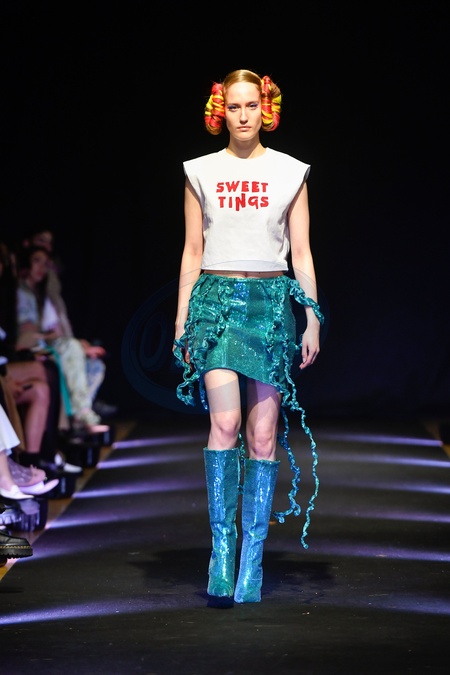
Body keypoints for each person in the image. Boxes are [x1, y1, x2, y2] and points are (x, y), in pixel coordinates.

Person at [173, 69, 324, 608]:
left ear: (266, 109)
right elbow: (193, 250)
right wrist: (181, 319)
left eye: (251, 106)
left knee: (262, 437)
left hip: (270, 307)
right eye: (233, 106)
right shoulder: (200, 171)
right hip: (215, 304)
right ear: (221, 111)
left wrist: (312, 317)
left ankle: (252, 560)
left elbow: (301, 252)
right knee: (225, 423)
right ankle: (222, 551)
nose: (242, 115)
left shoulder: (290, 172)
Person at [14, 244, 107, 432]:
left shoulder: (43, 294)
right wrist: (54, 338)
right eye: (36, 261)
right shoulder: (21, 292)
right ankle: (81, 414)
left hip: (45, 342)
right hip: (28, 346)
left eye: (45, 264)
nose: (41, 268)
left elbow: (55, 329)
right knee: (70, 348)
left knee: (95, 365)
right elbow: (28, 331)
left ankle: (79, 419)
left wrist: (82, 346)